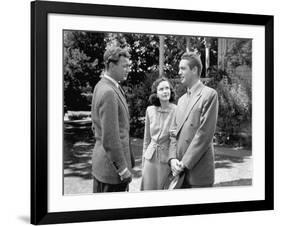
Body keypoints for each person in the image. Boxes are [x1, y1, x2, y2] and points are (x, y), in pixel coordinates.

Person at [168, 52, 219, 188]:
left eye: (183, 68)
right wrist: (172, 159)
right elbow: (173, 133)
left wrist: (184, 163)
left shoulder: (209, 95)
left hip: (198, 173)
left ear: (195, 70)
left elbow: (204, 134)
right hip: (179, 173)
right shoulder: (181, 100)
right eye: (179, 69)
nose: (179, 72)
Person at [91, 46, 135, 192]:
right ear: (111, 65)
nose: (128, 69)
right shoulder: (108, 91)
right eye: (125, 66)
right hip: (112, 173)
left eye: (129, 66)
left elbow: (96, 126)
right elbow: (110, 137)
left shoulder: (101, 86)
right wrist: (122, 169)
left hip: (104, 166)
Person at [141, 77, 177, 190]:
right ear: (156, 93)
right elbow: (147, 139)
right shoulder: (149, 110)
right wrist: (143, 162)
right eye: (161, 89)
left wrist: (173, 159)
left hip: (166, 160)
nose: (165, 91)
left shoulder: (177, 110)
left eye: (167, 88)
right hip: (150, 159)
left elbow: (175, 139)